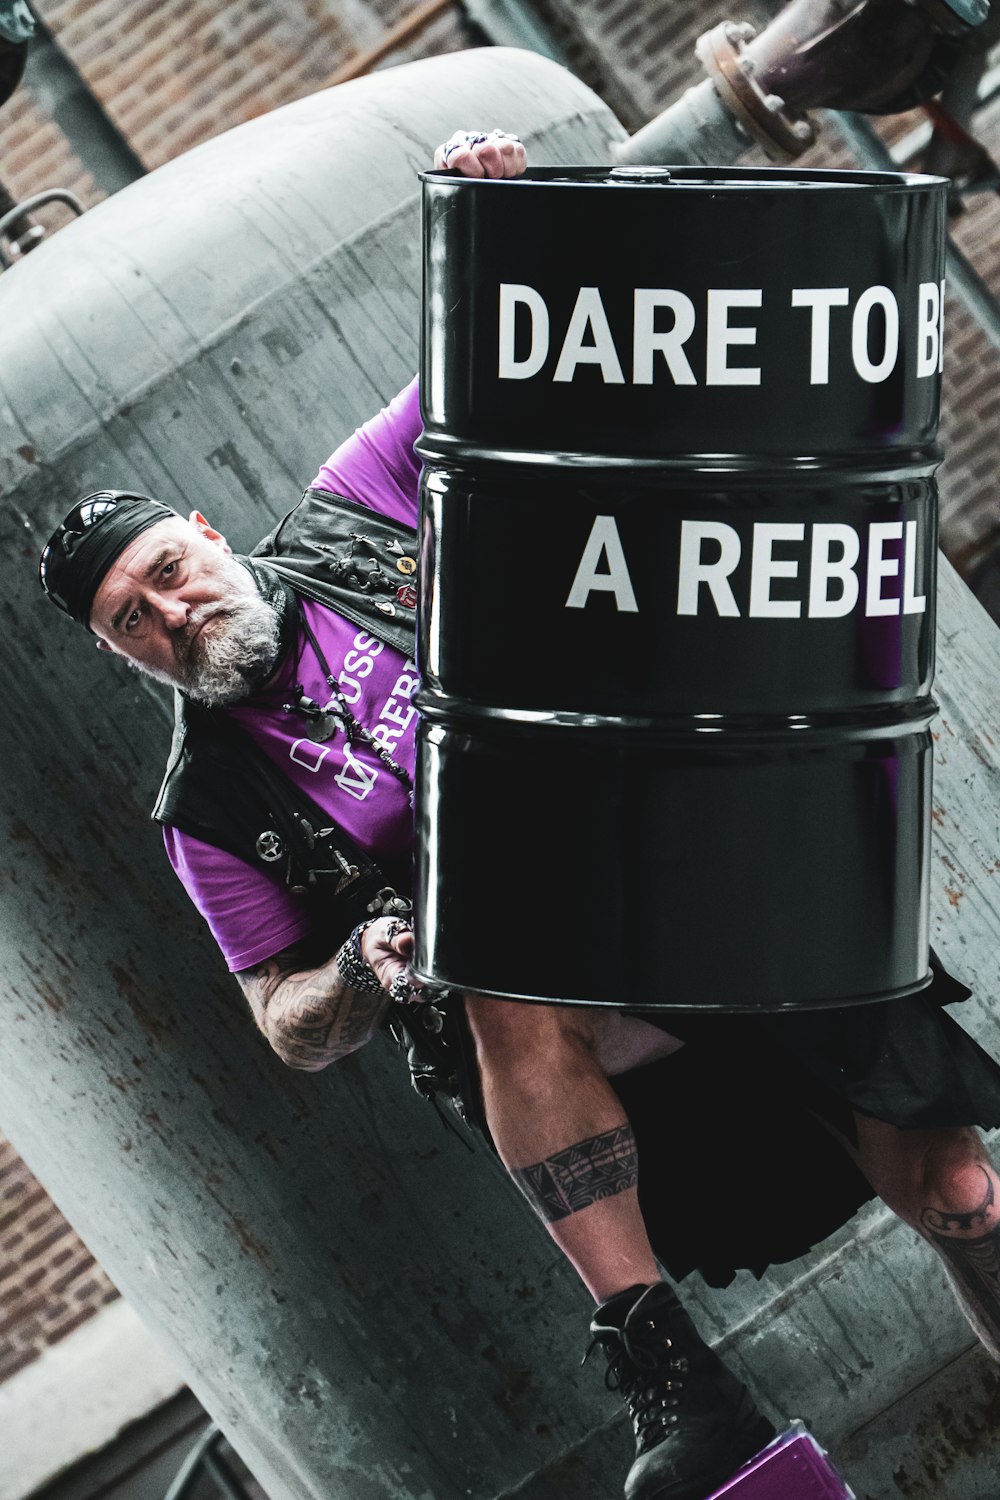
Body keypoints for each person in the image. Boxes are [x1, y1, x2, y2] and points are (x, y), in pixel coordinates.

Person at [39, 129, 1000, 1500]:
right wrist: (360, 972)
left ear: (205, 531)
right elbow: (283, 1021)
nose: (175, 613)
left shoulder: (358, 508)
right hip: (575, 1030)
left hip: (712, 889)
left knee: (959, 1195)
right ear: (119, 654)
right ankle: (670, 1362)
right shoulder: (211, 805)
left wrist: (514, 212)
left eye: (170, 572)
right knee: (487, 930)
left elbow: (529, 344)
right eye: (135, 621)